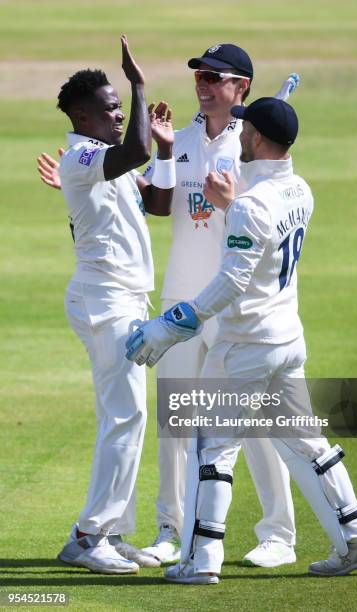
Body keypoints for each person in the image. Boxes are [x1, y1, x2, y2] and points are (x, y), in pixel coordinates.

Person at [37, 43, 299, 570]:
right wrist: (148, 132)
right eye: (199, 74)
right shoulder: (140, 147)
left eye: (214, 76)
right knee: (157, 419)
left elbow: (167, 201)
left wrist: (159, 160)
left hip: (229, 304)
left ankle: (276, 533)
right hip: (157, 301)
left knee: (245, 422)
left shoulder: (251, 146)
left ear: (241, 87)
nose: (202, 83)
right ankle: (138, 532)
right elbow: (140, 181)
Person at [126, 97, 357, 584]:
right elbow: (260, 241)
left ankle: (200, 561)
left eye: (246, 131)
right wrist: (231, 208)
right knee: (310, 443)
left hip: (246, 346)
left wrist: (173, 322)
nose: (239, 136)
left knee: (214, 449)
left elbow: (232, 282)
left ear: (259, 140)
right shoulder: (300, 190)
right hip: (288, 339)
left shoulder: (250, 204)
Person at [52, 35, 176, 574]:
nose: (120, 115)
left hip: (123, 297)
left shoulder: (108, 160)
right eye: (110, 109)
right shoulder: (82, 154)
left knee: (124, 417)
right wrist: (140, 83)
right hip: (106, 301)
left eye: (121, 108)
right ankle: (88, 535)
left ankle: (109, 530)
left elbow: (161, 202)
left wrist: (169, 150)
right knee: (127, 417)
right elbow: (136, 151)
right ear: (82, 115)